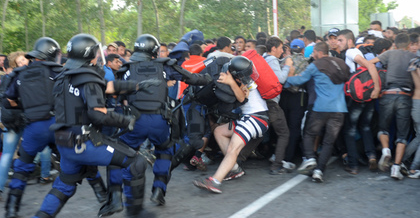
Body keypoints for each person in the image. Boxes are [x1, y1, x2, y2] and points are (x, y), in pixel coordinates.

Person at [33, 33, 149, 218]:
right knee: (136, 163)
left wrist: (136, 85)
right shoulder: (88, 78)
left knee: (64, 185)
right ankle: (136, 213)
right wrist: (126, 121)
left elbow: (107, 87)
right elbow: (97, 114)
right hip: (85, 144)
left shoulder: (65, 76)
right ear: (90, 54)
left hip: (66, 144)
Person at [112, 34, 211, 207]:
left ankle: (124, 196)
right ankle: (159, 190)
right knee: (164, 153)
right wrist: (210, 79)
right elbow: (191, 78)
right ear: (154, 50)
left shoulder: (125, 68)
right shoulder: (164, 66)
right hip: (160, 120)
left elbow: (117, 96)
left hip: (134, 120)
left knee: (124, 156)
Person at [3, 38, 63, 218]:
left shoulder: (20, 74)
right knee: (74, 167)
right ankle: (104, 195)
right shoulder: (58, 71)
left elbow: (9, 100)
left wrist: (26, 107)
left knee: (21, 169)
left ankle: (11, 210)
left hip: (34, 126)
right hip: (58, 125)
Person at [193, 56, 269, 194]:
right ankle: (233, 169)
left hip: (256, 118)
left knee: (232, 149)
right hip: (252, 118)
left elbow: (242, 98)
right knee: (218, 131)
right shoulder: (240, 77)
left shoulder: (245, 81)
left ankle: (215, 181)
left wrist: (230, 82)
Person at [287, 42, 350, 182]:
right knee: (329, 142)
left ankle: (310, 158)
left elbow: (300, 79)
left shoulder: (316, 65)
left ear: (319, 52)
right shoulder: (342, 63)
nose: (312, 55)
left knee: (309, 133)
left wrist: (285, 79)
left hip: (321, 107)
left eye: (313, 52)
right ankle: (319, 171)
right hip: (339, 109)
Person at [369, 33, 416, 179]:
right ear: (409, 45)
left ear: (395, 44)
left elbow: (370, 62)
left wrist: (377, 84)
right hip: (405, 96)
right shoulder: (413, 57)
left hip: (387, 94)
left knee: (383, 128)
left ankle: (385, 150)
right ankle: (396, 168)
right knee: (402, 135)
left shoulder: (389, 53)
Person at [336, 29, 380, 175]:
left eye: (340, 40)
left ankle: (353, 165)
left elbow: (370, 66)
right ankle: (371, 156)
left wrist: (377, 87)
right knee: (365, 127)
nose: (338, 43)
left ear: (349, 41)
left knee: (349, 130)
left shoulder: (351, 52)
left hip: (356, 97)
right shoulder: (356, 52)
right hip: (366, 96)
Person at [0, 51, 29, 200]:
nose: (24, 62)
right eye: (20, 61)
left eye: (24, 59)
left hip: (9, 118)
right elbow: (9, 100)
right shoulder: (22, 77)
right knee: (39, 146)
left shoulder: (5, 78)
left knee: (7, 153)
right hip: (18, 117)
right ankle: (45, 175)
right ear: (14, 65)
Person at [263, 36, 294, 174]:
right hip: (272, 103)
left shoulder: (264, 58)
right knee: (284, 133)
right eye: (281, 48)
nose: (282, 51)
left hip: (262, 101)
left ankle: (236, 161)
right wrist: (287, 65)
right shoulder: (273, 60)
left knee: (257, 134)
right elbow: (280, 79)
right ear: (274, 48)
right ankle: (276, 165)